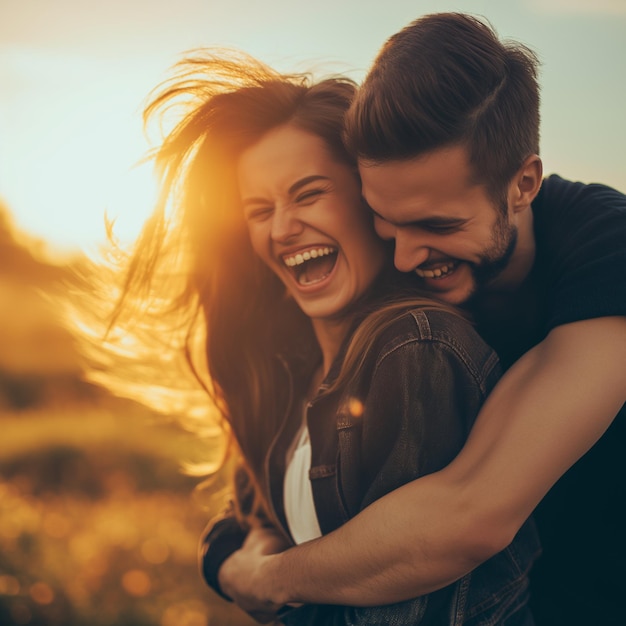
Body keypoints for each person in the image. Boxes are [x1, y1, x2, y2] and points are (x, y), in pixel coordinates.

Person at [215, 13, 626, 626]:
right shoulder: (371, 290)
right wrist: (223, 557)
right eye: (385, 218)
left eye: (437, 226)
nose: (405, 255)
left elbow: (470, 514)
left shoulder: (605, 249)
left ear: (525, 182)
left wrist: (271, 579)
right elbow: (268, 480)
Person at [108, 50, 542, 625]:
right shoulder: (290, 364)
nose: (283, 227)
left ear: (370, 199)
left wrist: (266, 582)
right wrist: (228, 563)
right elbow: (248, 519)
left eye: (309, 194)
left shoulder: (414, 347)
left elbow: (404, 604)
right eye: (259, 210)